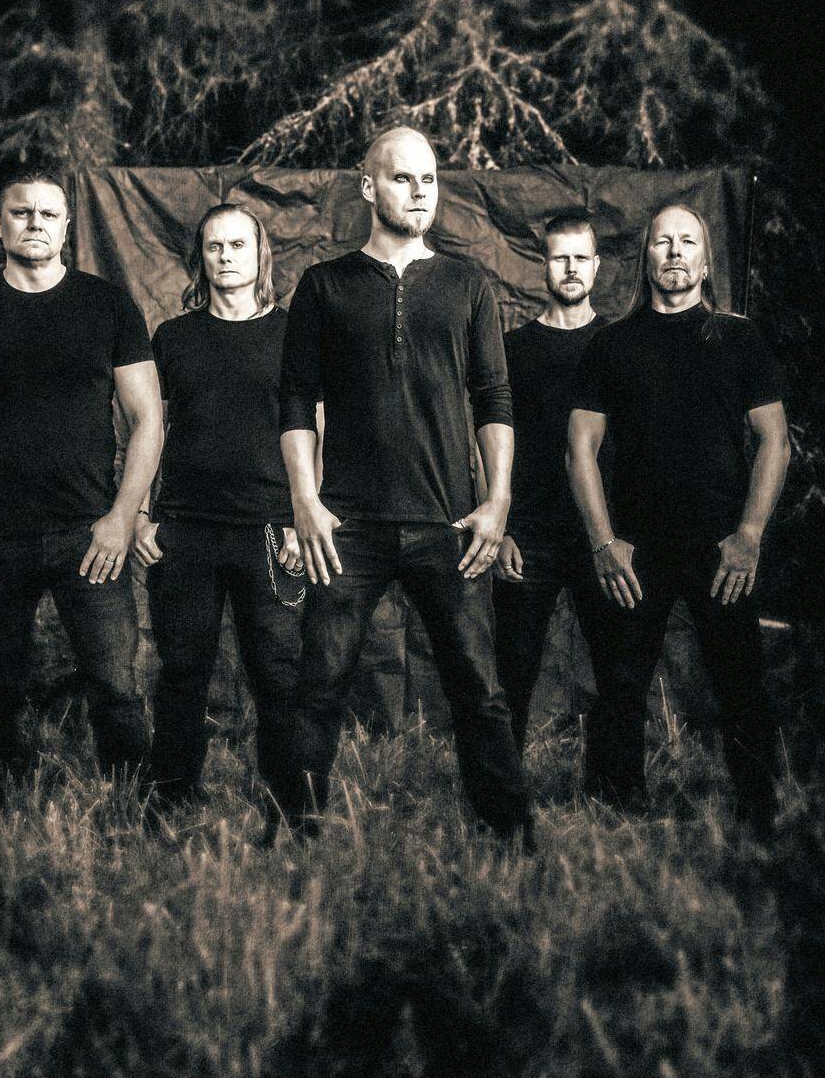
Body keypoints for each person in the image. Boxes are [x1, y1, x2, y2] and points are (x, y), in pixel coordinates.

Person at [279, 126, 530, 843]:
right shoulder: (324, 285)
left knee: (479, 688)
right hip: (347, 526)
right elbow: (294, 401)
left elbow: (494, 397)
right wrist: (305, 501)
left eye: (429, 179)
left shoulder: (466, 284)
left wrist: (497, 501)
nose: (420, 192)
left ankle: (511, 834)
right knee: (319, 685)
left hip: (448, 522)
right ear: (369, 187)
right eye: (402, 178)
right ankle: (294, 830)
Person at [0, 170, 163, 789]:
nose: (35, 223)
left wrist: (121, 518)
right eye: (21, 212)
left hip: (91, 533)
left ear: (66, 227)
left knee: (116, 686)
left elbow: (148, 420)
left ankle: (137, 809)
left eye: (48, 214)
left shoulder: (107, 305)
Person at [567, 203, 790, 831]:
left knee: (741, 683)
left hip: (721, 547)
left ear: (705, 260)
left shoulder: (738, 339)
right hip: (636, 549)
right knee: (621, 685)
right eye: (662, 241)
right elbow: (579, 448)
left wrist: (749, 536)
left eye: (687, 242)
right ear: (645, 258)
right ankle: (616, 817)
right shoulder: (612, 344)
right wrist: (603, 542)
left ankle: (758, 815)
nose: (673, 252)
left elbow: (775, 441)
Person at [133, 203, 313, 828]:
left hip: (271, 530)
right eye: (215, 246)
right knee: (182, 671)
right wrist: (141, 515)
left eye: (238, 245)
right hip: (185, 529)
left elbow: (318, 428)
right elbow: (148, 430)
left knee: (278, 674)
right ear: (200, 257)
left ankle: (289, 809)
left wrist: (304, 516)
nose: (226, 257)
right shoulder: (173, 337)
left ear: (261, 254)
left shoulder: (293, 334)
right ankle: (170, 800)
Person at [491, 211, 612, 757]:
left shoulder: (617, 345)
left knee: (618, 674)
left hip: (601, 537)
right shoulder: (512, 349)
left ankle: (611, 789)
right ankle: (502, 788)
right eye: (560, 257)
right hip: (528, 537)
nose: (570, 268)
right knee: (511, 675)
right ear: (543, 265)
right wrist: (501, 529)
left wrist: (619, 535)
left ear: (597, 267)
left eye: (580, 258)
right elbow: (489, 441)